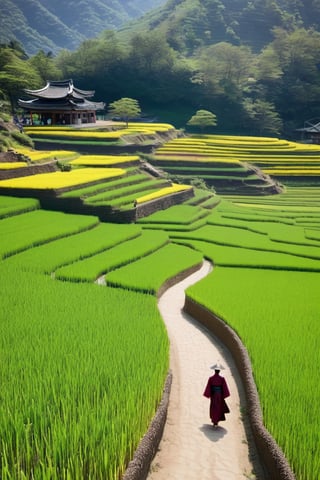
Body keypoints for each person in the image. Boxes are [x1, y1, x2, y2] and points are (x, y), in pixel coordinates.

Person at [203, 362, 230, 427]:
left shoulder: (211, 378)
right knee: (219, 408)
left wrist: (208, 394)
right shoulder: (222, 379)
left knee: (214, 407)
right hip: (220, 395)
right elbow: (225, 388)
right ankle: (216, 422)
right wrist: (224, 395)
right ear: (219, 371)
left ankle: (214, 421)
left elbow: (208, 387)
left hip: (213, 395)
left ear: (214, 371)